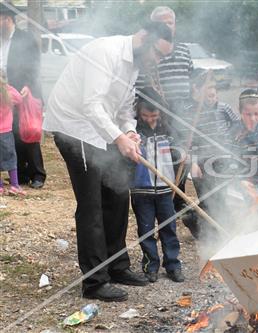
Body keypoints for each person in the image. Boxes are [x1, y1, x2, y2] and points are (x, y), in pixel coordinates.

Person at [43, 21, 174, 302]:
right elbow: (92, 105)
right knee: (92, 205)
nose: (158, 61)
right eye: (158, 54)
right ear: (143, 37)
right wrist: (119, 138)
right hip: (74, 127)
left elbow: (125, 108)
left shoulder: (135, 64)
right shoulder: (106, 52)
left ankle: (117, 266)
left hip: (104, 131)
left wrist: (128, 131)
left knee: (117, 194)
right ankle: (95, 281)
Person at [135, 6, 195, 232]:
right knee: (160, 165)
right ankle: (165, 208)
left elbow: (189, 80)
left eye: (170, 23)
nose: (167, 26)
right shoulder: (148, 51)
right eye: (162, 23)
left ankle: (177, 206)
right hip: (156, 116)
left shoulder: (183, 50)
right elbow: (139, 87)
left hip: (181, 115)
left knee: (182, 161)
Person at [130, 87, 184, 283]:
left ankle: (172, 265)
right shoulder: (133, 130)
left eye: (154, 115)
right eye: (146, 115)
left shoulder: (168, 130)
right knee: (146, 229)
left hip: (165, 187)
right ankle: (150, 265)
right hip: (141, 189)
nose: (150, 119)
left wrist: (182, 154)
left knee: (168, 228)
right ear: (139, 112)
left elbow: (179, 153)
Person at [179, 71, 239, 237]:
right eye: (207, 89)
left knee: (220, 196)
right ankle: (198, 225)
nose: (211, 95)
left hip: (220, 159)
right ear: (196, 89)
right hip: (201, 162)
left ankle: (220, 233)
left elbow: (235, 127)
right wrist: (193, 162)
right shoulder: (189, 111)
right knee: (206, 199)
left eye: (213, 91)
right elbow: (185, 140)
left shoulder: (220, 108)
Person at [0, 2, 45, 189]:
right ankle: (20, 172)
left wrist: (28, 85)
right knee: (10, 133)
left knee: (27, 132)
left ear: (7, 20)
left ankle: (37, 173)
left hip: (23, 91)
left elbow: (34, 66)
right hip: (3, 93)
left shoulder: (25, 39)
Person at [0, 71, 26, 196]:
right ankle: (14, 185)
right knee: (10, 158)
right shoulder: (9, 93)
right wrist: (8, 86)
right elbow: (20, 99)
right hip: (5, 132)